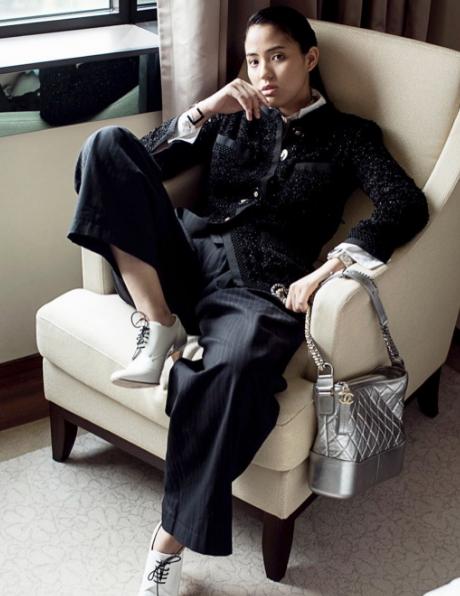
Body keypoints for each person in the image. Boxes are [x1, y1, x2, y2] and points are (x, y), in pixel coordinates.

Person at [68, 6, 429, 595]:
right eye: (253, 60)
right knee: (104, 145)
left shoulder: (350, 136)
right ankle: (159, 322)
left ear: (310, 59)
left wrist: (329, 268)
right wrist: (204, 111)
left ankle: (168, 544)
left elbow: (405, 204)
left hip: (259, 290)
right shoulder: (233, 118)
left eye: (278, 57)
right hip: (185, 259)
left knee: (234, 370)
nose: (263, 73)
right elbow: (137, 165)